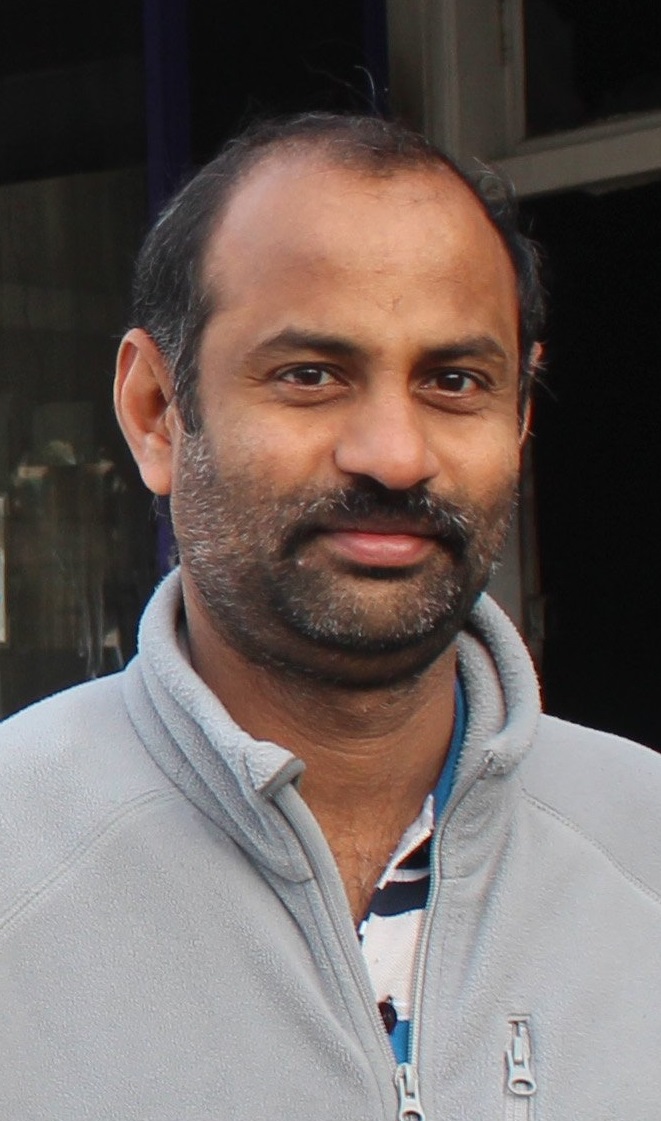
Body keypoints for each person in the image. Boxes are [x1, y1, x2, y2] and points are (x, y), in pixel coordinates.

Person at [1, 113, 660, 1121]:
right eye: (309, 374)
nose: (393, 454)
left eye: (454, 381)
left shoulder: (640, 844)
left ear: (520, 421)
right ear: (156, 412)